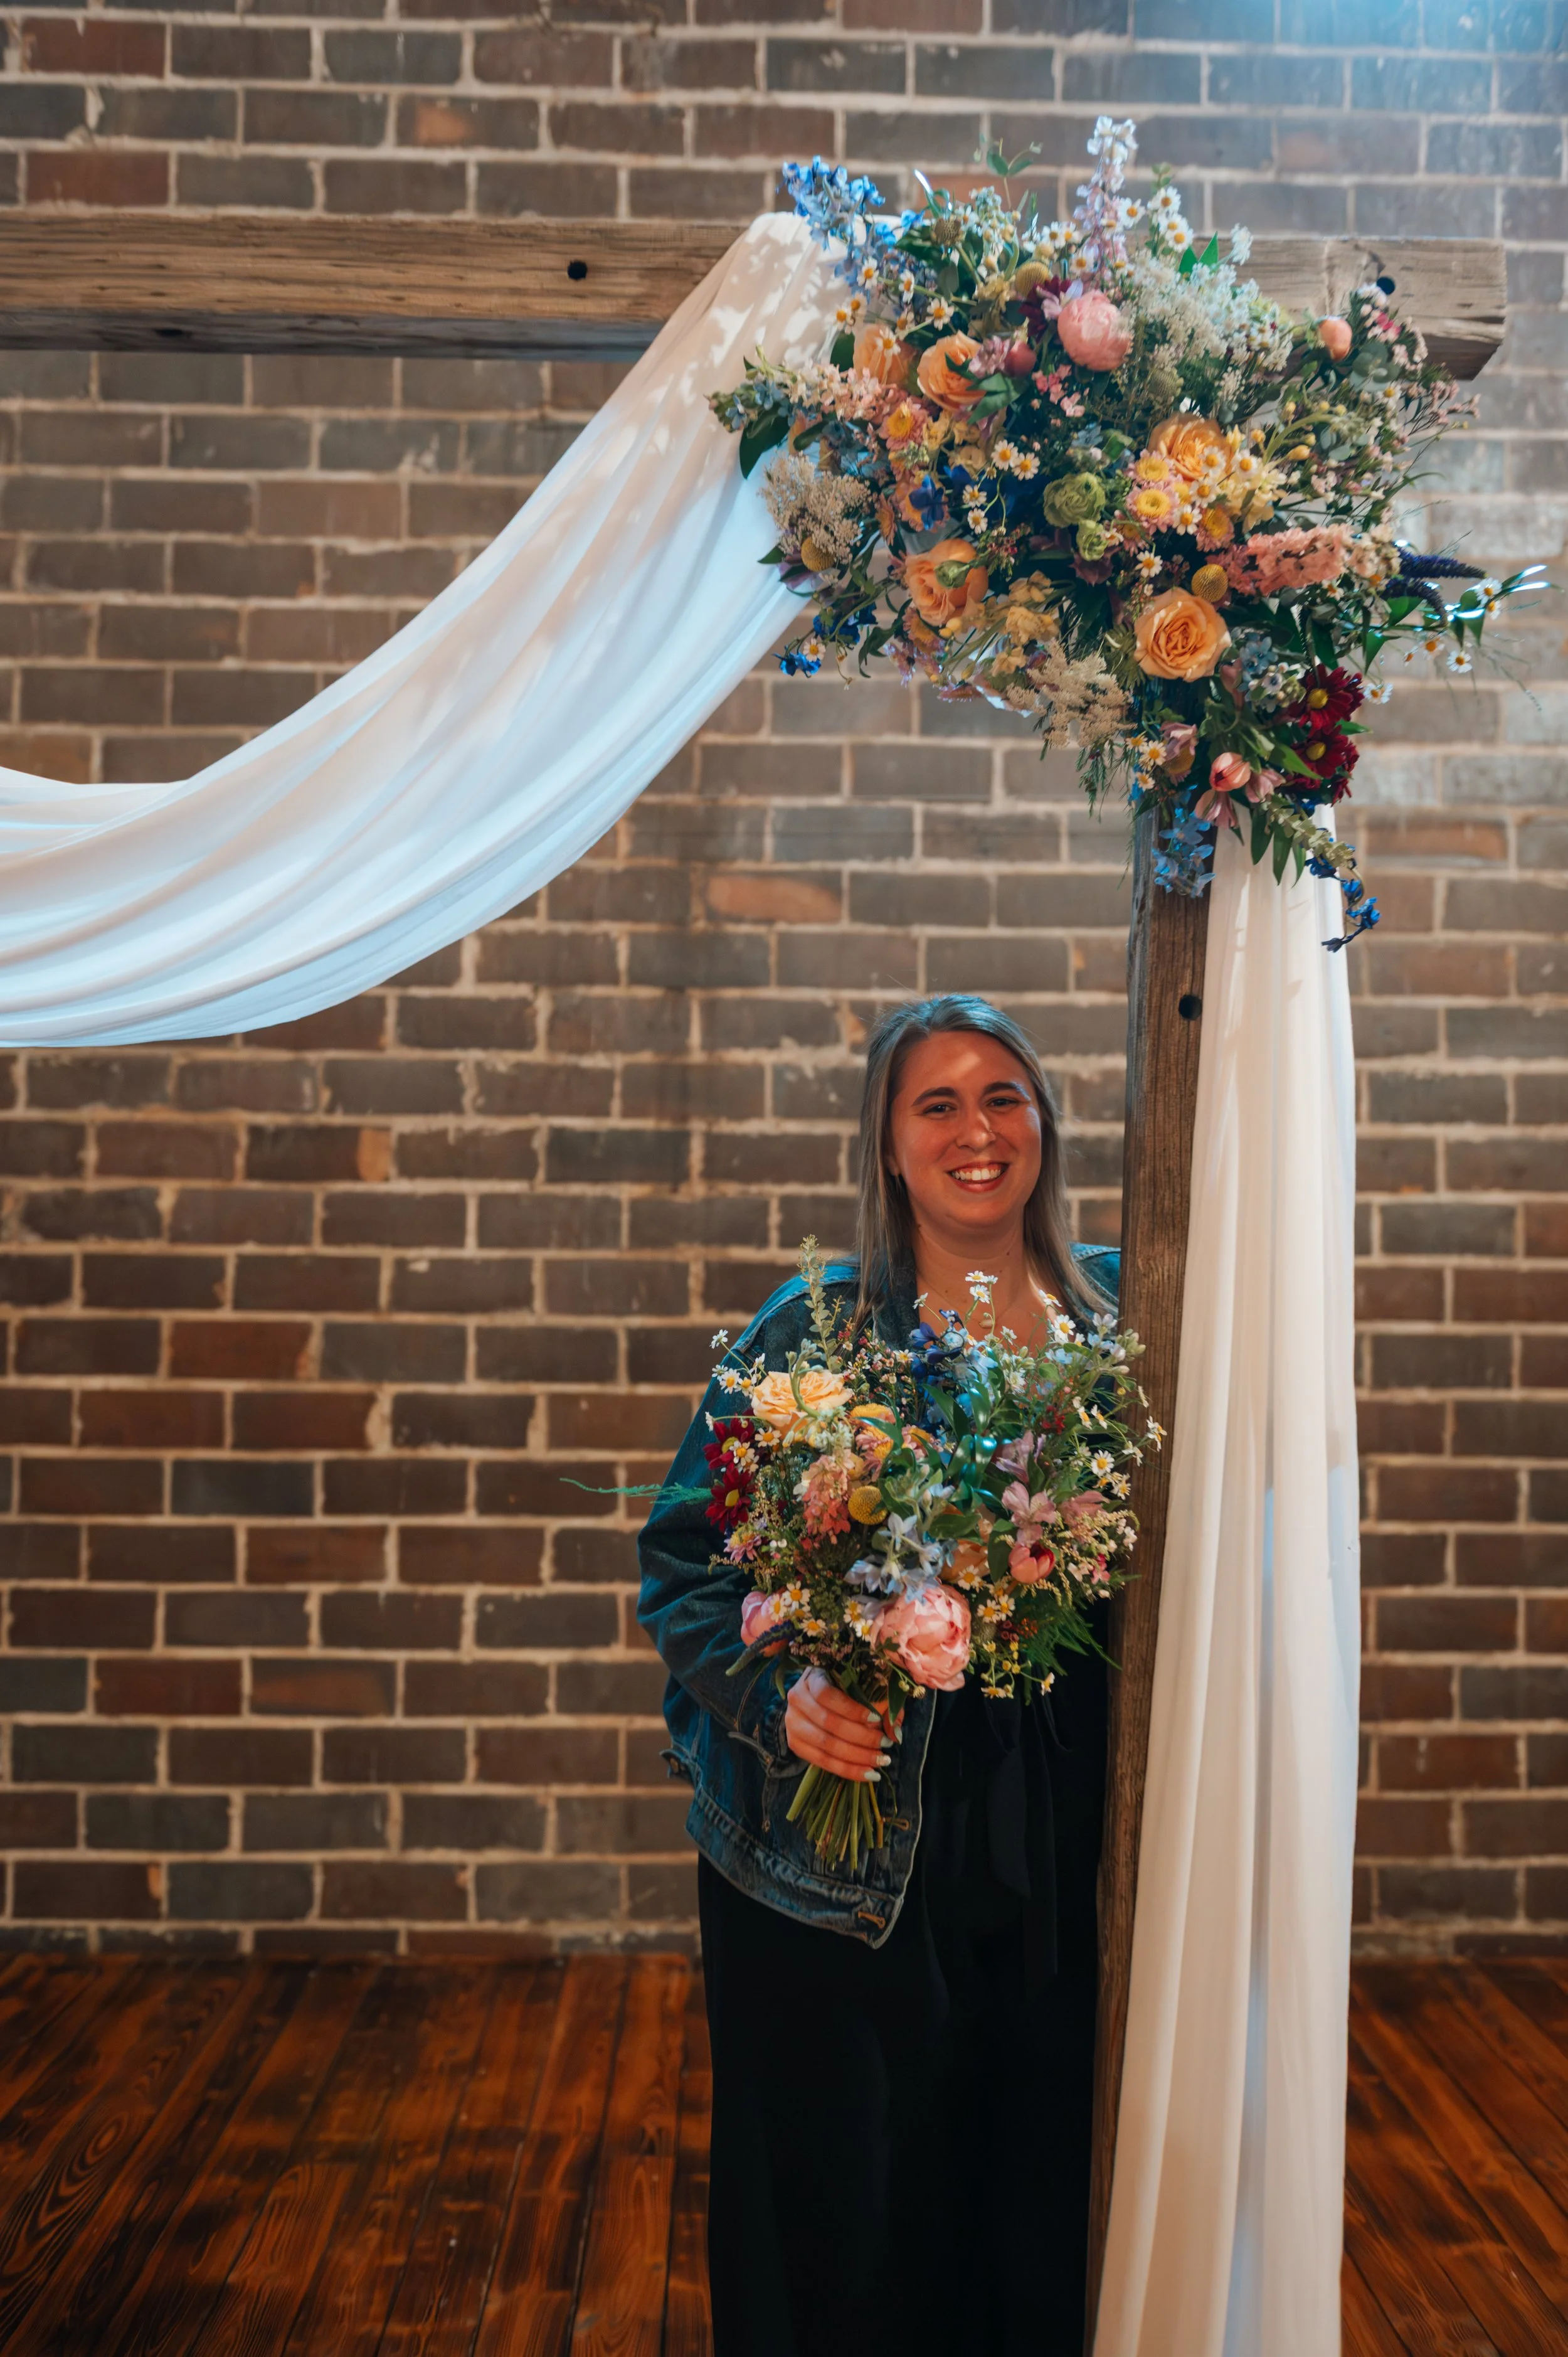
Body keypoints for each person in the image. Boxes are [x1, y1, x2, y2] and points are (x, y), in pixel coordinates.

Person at [638, 994, 1119, 2357]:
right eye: (939, 1104)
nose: (978, 1131)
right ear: (888, 1146)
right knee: (843, 2218)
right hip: (839, 1851)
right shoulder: (815, 1332)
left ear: (1044, 1121)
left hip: (1056, 1840)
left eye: (1003, 1096)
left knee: (1026, 2192)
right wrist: (775, 1697)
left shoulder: (1127, 1315)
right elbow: (683, 1564)